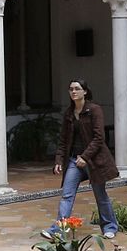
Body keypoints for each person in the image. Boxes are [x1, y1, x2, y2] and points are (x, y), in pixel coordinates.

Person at [52, 78, 121, 240]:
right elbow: (63, 139)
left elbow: (99, 138)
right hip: (74, 161)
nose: (73, 91)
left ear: (85, 91)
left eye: (77, 88)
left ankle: (110, 227)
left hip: (94, 161)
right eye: (71, 89)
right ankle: (59, 230)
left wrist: (85, 156)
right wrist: (58, 160)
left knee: (100, 194)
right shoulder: (69, 113)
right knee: (67, 195)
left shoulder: (94, 110)